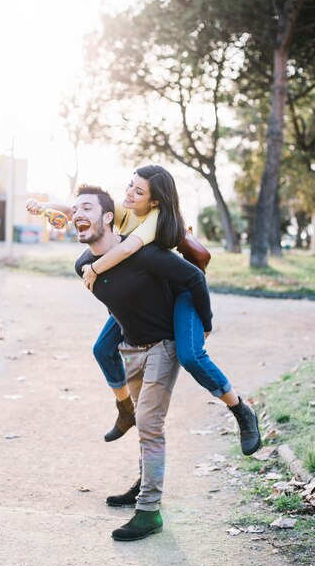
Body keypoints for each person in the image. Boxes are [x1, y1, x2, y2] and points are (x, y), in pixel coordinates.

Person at [26, 167, 261, 459]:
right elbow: (82, 210)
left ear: (154, 201)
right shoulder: (125, 210)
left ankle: (240, 410)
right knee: (102, 349)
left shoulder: (153, 220)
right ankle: (126, 410)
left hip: (180, 289)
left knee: (191, 356)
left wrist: (206, 323)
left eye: (139, 192)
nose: (129, 194)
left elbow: (128, 252)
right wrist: (46, 207)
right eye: (130, 186)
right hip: (147, 291)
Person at [72, 184, 260, 541]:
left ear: (108, 217)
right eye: (75, 209)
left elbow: (192, 278)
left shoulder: (146, 254)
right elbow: (119, 305)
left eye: (88, 208)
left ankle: (149, 511)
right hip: (133, 347)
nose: (78, 214)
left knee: (149, 423)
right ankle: (144, 483)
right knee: (145, 423)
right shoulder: (83, 265)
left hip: (164, 345)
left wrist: (203, 324)